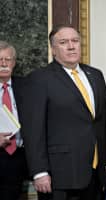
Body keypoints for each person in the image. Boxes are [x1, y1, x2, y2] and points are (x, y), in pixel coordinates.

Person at [21, 25, 106, 200]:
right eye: (63, 42)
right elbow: (33, 130)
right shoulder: (39, 79)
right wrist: (39, 171)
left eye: (75, 41)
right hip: (59, 175)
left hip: (97, 173)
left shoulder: (95, 75)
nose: (71, 46)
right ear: (53, 49)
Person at [0, 41, 28, 200]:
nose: (3, 63)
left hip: (19, 157)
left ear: (14, 63)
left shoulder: (27, 86)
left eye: (7, 59)